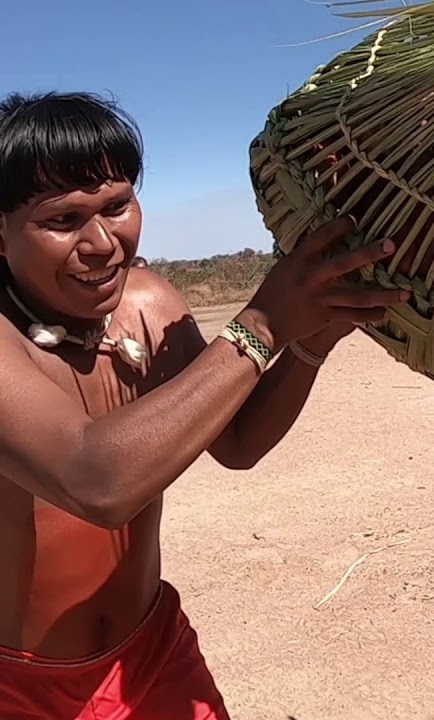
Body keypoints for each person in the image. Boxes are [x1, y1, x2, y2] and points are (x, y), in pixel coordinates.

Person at [0, 92, 406, 719]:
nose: (103, 242)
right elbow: (97, 481)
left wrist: (311, 342)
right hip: (21, 687)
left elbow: (238, 442)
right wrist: (262, 328)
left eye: (116, 205)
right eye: (63, 220)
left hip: (153, 653)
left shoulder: (149, 304)